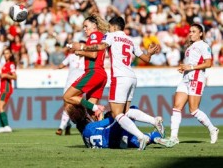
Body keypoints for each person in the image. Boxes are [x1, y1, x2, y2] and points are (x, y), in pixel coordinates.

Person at [71, 16, 162, 150]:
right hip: (132, 77)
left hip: (119, 78)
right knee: (125, 112)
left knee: (117, 114)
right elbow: (146, 58)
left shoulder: (111, 36)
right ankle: (154, 121)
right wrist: (150, 53)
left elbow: (100, 46)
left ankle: (141, 136)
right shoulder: (130, 40)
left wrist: (83, 46)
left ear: (113, 27)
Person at [169, 23, 219, 145]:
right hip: (185, 78)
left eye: (194, 31)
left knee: (193, 110)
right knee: (176, 107)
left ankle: (213, 129)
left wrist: (190, 67)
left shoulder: (203, 45)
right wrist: (184, 68)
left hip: (196, 79)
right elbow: (190, 64)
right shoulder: (189, 48)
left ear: (201, 33)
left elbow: (208, 64)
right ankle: (173, 137)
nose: (190, 34)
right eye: (190, 31)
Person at [63, 14, 109, 121]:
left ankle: (98, 108)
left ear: (94, 26)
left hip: (94, 72)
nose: (84, 29)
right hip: (101, 74)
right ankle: (103, 132)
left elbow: (93, 55)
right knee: (91, 112)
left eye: (86, 26)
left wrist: (81, 51)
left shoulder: (94, 36)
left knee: (67, 96)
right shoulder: (99, 36)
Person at [66, 104, 173, 149]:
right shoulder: (92, 126)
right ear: (85, 116)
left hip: (114, 144)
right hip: (111, 134)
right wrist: (107, 115)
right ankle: (154, 121)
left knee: (137, 140)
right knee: (126, 111)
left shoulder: (85, 135)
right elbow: (110, 120)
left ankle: (154, 137)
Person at [55, 41, 85, 136]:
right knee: (67, 106)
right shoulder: (71, 56)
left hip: (80, 86)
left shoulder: (87, 58)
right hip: (69, 85)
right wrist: (55, 67)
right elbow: (61, 65)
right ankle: (65, 125)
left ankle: (61, 127)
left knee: (74, 107)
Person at [0, 48, 17, 133]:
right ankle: (2, 126)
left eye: (7, 53)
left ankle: (7, 126)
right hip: (2, 88)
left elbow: (15, 77)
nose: (5, 55)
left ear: (10, 54)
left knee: (1, 107)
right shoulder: (5, 65)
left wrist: (6, 76)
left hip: (6, 88)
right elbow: (2, 76)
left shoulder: (11, 64)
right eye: (4, 53)